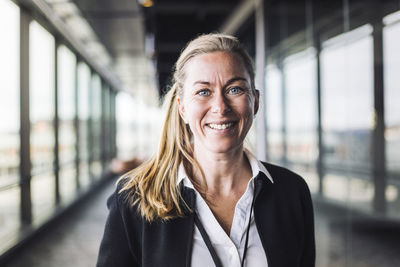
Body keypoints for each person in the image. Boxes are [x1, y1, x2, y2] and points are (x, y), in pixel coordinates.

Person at [96, 33, 315, 267]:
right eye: (203, 92)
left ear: (256, 101)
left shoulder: (292, 192)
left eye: (235, 89)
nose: (220, 107)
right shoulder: (133, 199)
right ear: (182, 108)